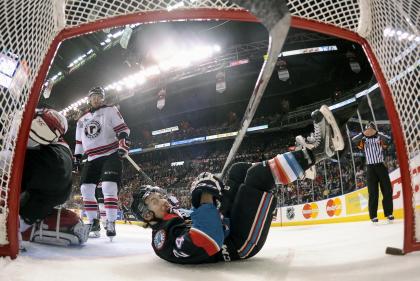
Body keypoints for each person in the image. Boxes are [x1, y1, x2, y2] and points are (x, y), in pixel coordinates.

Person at [130, 105, 345, 264]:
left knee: (239, 169)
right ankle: (319, 152)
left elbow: (206, 215)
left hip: (229, 225)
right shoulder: (162, 237)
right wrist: (206, 196)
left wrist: (211, 189)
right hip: (237, 243)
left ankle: (300, 166)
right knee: (258, 178)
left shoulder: (173, 215)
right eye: (153, 201)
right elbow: (206, 239)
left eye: (157, 195)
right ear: (148, 215)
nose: (161, 199)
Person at [16, 108, 89, 248]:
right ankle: (22, 225)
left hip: (50, 184)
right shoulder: (58, 151)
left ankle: (20, 225)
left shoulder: (54, 159)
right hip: (51, 191)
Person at [74, 86, 130, 240]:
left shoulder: (110, 110)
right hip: (91, 158)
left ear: (103, 98)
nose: (96, 99)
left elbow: (123, 129)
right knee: (85, 189)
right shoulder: (81, 120)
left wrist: (122, 143)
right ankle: (93, 223)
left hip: (110, 154)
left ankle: (111, 222)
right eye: (93, 96)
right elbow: (79, 142)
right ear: (89, 99)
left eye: (99, 96)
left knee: (108, 187)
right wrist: (77, 157)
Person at [352, 121, 394, 224]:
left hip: (380, 165)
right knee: (373, 193)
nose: (369, 131)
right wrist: (363, 133)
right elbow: (354, 140)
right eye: (367, 129)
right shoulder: (363, 140)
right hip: (370, 168)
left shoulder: (379, 138)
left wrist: (376, 132)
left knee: (387, 190)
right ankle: (373, 216)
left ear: (374, 129)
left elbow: (388, 139)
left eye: (371, 129)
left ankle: (389, 213)